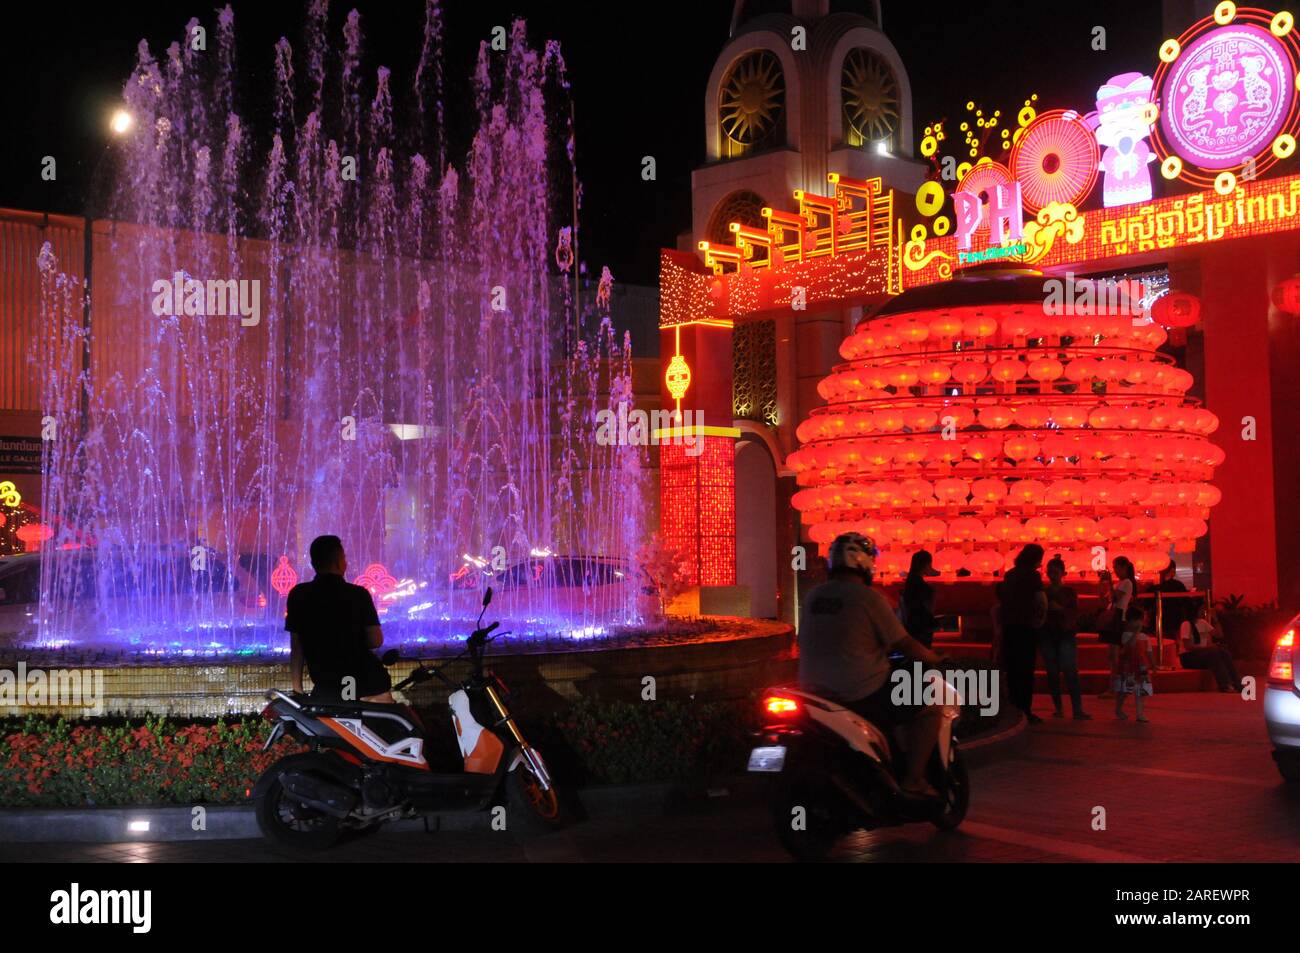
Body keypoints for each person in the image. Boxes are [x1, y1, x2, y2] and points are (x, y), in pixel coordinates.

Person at [797, 532, 947, 798]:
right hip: (860, 692)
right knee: (931, 706)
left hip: (813, 691)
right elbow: (905, 644)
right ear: (865, 563)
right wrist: (935, 658)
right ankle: (913, 779)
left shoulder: (813, 596)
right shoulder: (868, 598)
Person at [286, 535, 393, 703]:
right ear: (338, 562)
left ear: (313, 563)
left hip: (327, 683)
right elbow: (375, 640)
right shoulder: (358, 595)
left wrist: (297, 691)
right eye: (344, 558)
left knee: (340, 723)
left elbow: (297, 646)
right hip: (364, 681)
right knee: (385, 725)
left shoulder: (298, 595)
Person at [996, 544, 1048, 724]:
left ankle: (1013, 710)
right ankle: (1025, 709)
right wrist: (1040, 620)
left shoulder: (1010, 575)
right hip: (1026, 626)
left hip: (1010, 626)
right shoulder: (1033, 576)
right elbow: (1040, 600)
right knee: (1025, 670)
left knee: (1012, 669)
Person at [1041, 556, 1089, 720]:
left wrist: (1060, 609)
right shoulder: (1044, 592)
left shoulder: (1069, 592)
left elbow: (1073, 612)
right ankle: (1059, 707)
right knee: (1052, 672)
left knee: (1069, 670)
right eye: (1050, 572)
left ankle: (1076, 708)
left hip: (1065, 632)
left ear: (1062, 573)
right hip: (1048, 632)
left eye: (1055, 572)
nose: (1052, 575)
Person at [1178, 603, 1243, 693]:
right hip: (1189, 657)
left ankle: (1237, 684)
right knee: (1213, 654)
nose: (1202, 612)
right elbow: (1188, 646)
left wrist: (1215, 619)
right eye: (1201, 610)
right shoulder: (1186, 624)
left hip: (1203, 653)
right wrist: (1207, 648)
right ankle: (1224, 685)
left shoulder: (1203, 622)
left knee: (1223, 653)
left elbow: (1219, 634)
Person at [901, 549, 940, 648]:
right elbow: (929, 607)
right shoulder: (921, 585)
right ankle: (919, 664)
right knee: (922, 650)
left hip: (911, 623)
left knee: (917, 651)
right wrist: (933, 591)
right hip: (922, 625)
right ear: (926, 565)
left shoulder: (910, 581)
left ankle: (918, 663)